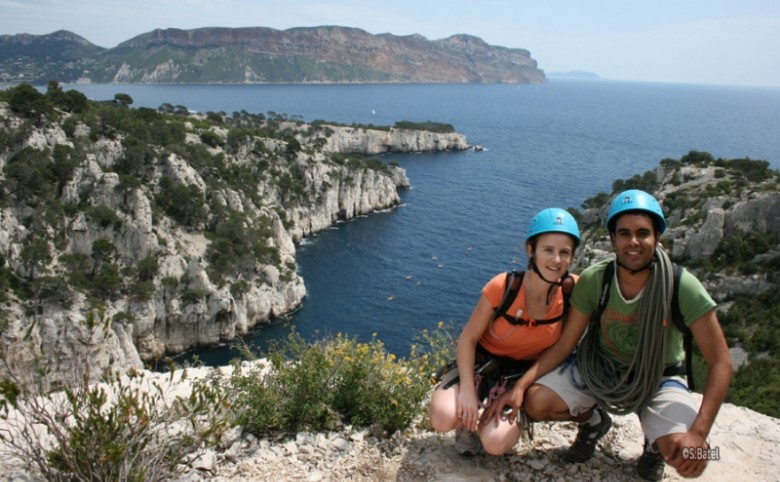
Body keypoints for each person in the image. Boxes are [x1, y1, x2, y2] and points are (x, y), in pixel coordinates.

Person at [482, 189, 733, 481]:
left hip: (659, 377)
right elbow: (566, 344)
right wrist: (521, 386)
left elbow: (721, 363)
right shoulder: (596, 280)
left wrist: (699, 434)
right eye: (624, 234)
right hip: (601, 369)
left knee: (695, 459)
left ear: (658, 237)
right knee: (537, 403)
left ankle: (654, 446)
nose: (633, 242)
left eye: (643, 233)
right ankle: (594, 422)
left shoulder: (681, 286)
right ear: (613, 239)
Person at [428, 207, 581, 456]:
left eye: (564, 253)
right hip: (482, 366)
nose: (556, 260)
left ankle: (506, 423)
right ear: (531, 251)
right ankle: (467, 424)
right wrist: (467, 390)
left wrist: (519, 389)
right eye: (548, 250)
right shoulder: (504, 287)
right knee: (443, 417)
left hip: (522, 374)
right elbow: (468, 339)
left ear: (572, 258)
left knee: (496, 444)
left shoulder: (571, 290)